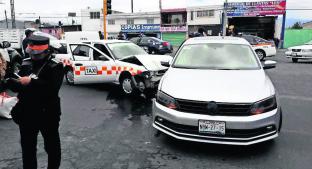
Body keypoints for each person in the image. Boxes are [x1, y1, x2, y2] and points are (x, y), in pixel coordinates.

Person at [4, 35, 64, 169]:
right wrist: (10, 81)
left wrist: (32, 81)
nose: (33, 56)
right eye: (31, 53)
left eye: (37, 54)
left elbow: (52, 89)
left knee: (52, 147)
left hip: (48, 113)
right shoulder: (25, 63)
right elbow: (17, 86)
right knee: (28, 149)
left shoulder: (55, 66)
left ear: (46, 51)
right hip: (27, 113)